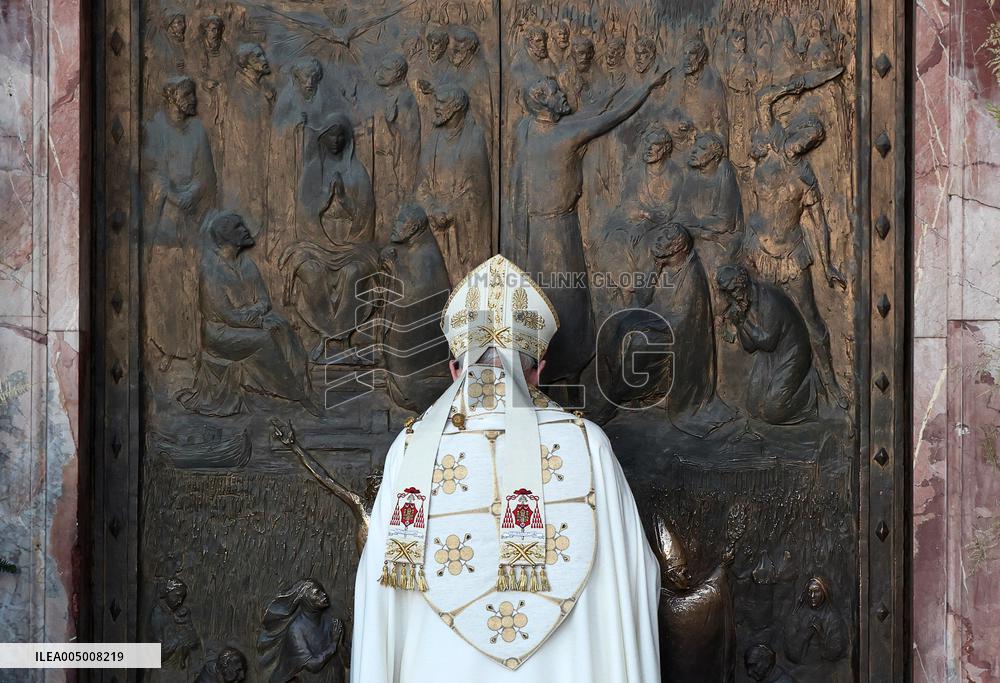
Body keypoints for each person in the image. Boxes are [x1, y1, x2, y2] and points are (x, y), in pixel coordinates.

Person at [351, 254, 660, 682]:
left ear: (454, 369)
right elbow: (635, 580)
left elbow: (377, 596)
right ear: (538, 373)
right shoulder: (589, 444)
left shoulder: (409, 449)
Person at [505, 70, 668, 385]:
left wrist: (618, 87)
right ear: (541, 102)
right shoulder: (563, 136)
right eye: (555, 91)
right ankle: (562, 366)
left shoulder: (527, 128)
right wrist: (645, 88)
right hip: (554, 235)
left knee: (554, 296)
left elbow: (591, 113)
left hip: (541, 230)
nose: (562, 93)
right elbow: (610, 118)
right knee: (563, 297)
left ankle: (550, 367)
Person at [178, 211, 320, 416]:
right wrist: (259, 321)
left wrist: (257, 314)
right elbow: (229, 317)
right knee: (264, 339)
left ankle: (303, 386)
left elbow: (264, 301)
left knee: (283, 326)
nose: (246, 230)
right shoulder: (211, 272)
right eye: (239, 227)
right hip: (220, 334)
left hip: (248, 321)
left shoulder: (247, 265)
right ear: (227, 237)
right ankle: (295, 395)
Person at [143, 75, 217, 371]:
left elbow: (206, 174)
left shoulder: (198, 130)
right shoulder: (155, 129)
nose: (193, 100)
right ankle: (162, 347)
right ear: (172, 96)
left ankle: (190, 349)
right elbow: (152, 172)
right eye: (187, 94)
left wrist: (193, 193)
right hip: (164, 217)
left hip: (192, 214)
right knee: (164, 281)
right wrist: (174, 197)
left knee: (190, 280)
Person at [717, 265, 817, 424]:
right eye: (728, 293)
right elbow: (749, 347)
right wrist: (740, 323)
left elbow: (768, 342)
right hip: (769, 355)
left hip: (792, 353)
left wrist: (743, 321)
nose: (733, 296)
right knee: (752, 408)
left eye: (734, 290)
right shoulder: (743, 302)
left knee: (773, 411)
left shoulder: (768, 300)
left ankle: (812, 392)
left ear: (743, 283)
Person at [416, 85, 492, 282]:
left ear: (457, 106)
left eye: (441, 103)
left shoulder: (473, 139)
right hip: (433, 223)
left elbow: (477, 192)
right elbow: (421, 185)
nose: (436, 107)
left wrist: (451, 212)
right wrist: (431, 208)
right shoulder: (433, 140)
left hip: (462, 230)